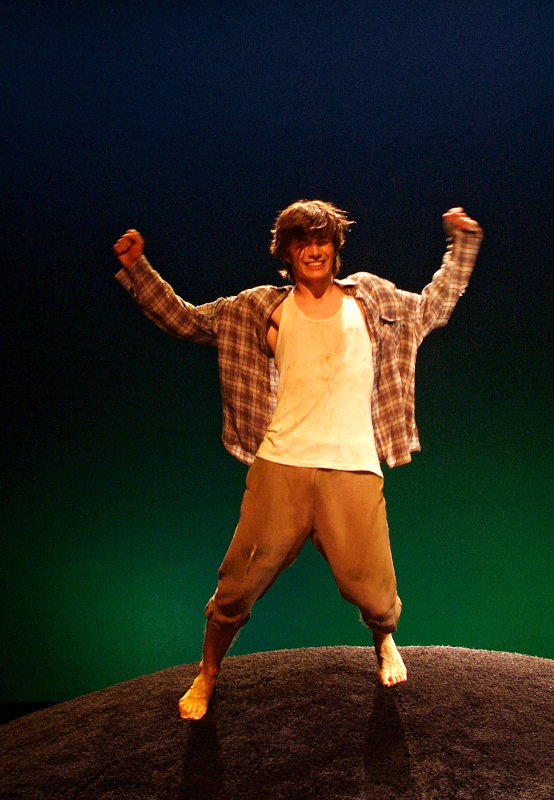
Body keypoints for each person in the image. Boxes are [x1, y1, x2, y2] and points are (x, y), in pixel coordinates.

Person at [113, 200, 482, 720]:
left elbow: (433, 306)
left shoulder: (369, 299)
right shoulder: (263, 308)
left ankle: (384, 642)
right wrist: (138, 268)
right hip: (282, 463)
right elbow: (187, 320)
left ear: (335, 247)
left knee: (375, 594)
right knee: (237, 586)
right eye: (302, 242)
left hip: (352, 464)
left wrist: (462, 243)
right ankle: (208, 672)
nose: (314, 250)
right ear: (286, 252)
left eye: (322, 240)